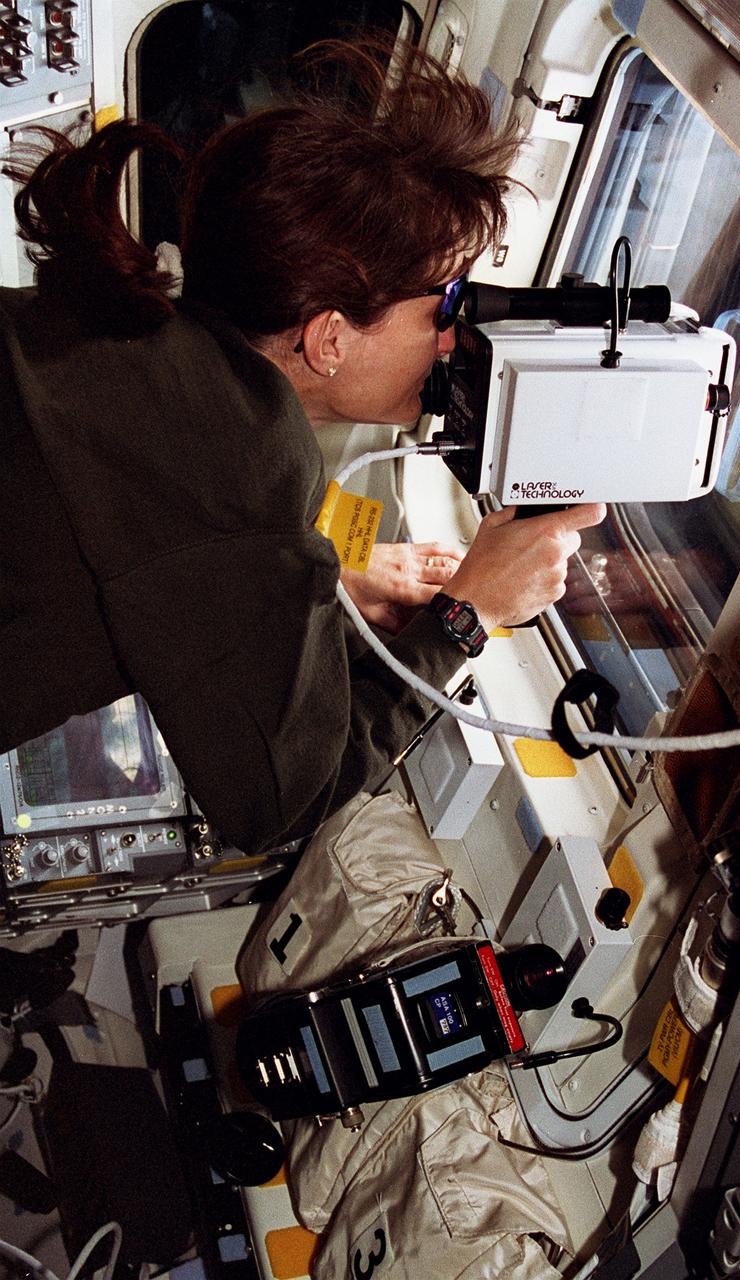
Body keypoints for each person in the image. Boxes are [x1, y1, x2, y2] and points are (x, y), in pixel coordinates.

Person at [0, 41, 604, 854]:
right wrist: (470, 614)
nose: (452, 341)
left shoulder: (144, 333)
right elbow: (281, 802)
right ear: (330, 339)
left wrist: (321, 580)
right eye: (443, 305)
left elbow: (166, 556)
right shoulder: (250, 460)